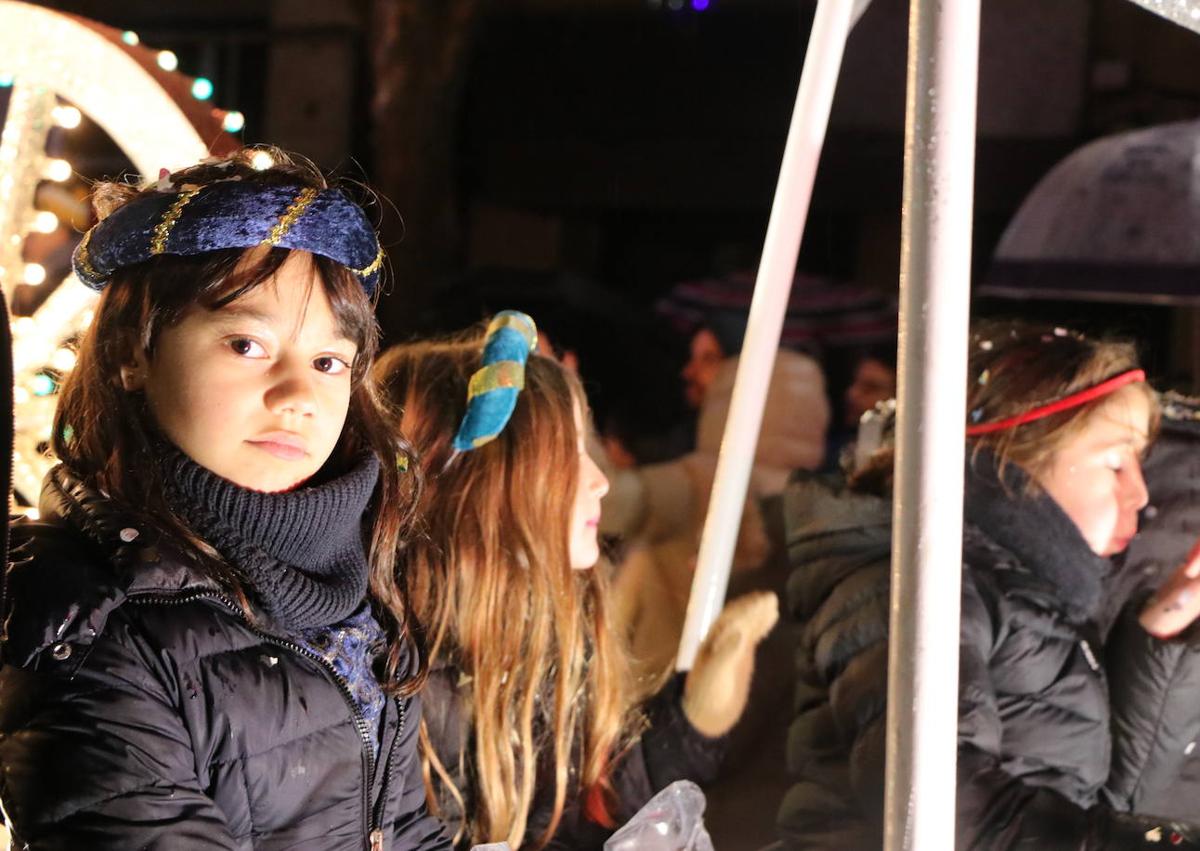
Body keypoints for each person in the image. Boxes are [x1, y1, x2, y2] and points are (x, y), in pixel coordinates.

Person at [0, 148, 451, 850]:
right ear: (131, 352)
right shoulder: (87, 625)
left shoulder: (364, 583)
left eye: (330, 361)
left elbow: (406, 831)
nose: (300, 394)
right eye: (246, 343)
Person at [779, 322, 1200, 849]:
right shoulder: (916, 587)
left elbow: (1088, 806)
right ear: (1012, 463)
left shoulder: (1032, 599)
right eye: (1116, 462)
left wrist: (1166, 627)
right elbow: (942, 809)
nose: (1139, 493)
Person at [374, 313, 778, 850]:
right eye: (570, 454)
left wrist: (687, 727)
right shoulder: (393, 685)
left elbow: (570, 818)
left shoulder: (536, 648)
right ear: (490, 486)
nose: (600, 480)